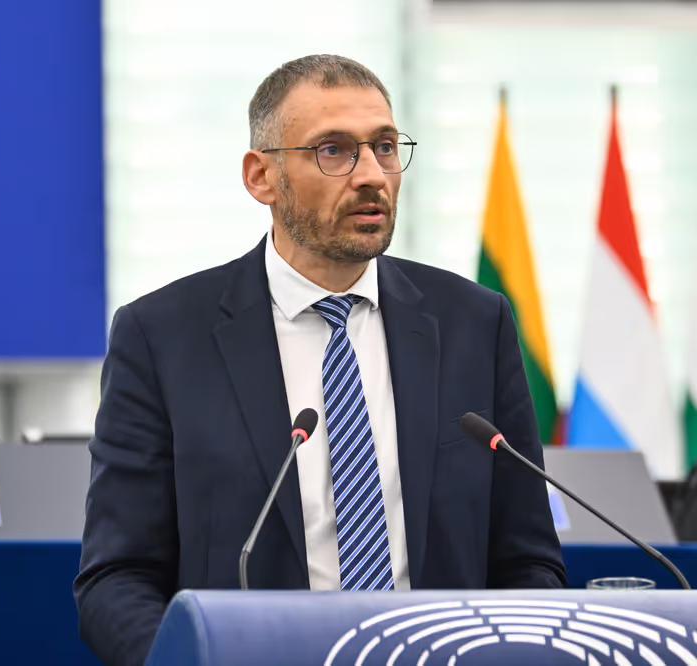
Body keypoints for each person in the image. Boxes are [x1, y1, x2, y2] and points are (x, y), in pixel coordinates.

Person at [74, 55, 566, 666]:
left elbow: (527, 559)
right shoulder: (163, 336)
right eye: (334, 150)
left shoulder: (473, 322)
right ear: (262, 177)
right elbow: (117, 578)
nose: (372, 176)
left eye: (385, 147)